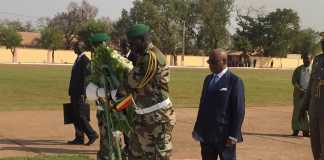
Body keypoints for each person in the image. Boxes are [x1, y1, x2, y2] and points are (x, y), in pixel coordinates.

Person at [126, 24, 176, 160]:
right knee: (136, 153)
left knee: (159, 156)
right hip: (145, 113)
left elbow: (132, 82)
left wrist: (124, 68)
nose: (130, 46)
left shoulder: (151, 57)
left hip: (158, 116)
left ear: (142, 40)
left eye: (132, 42)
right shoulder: (142, 56)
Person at [192, 49, 245, 160]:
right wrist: (198, 128)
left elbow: (238, 110)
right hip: (206, 135)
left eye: (213, 62)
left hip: (225, 137)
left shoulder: (234, 81)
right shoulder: (208, 79)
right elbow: (203, 106)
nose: (210, 65)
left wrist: (234, 135)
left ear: (224, 61)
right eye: (209, 61)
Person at [68, 41, 98, 145]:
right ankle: (79, 137)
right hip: (74, 92)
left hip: (80, 93)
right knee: (75, 115)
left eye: (76, 47)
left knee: (81, 115)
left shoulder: (85, 60)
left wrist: (84, 92)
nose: (74, 49)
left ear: (81, 48)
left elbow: (87, 79)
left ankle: (92, 134)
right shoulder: (78, 59)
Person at [301, 32, 324, 160]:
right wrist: (304, 106)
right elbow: (311, 84)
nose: (322, 43)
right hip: (314, 109)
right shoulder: (318, 59)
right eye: (322, 40)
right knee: (315, 145)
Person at [291, 54, 312, 137]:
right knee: (297, 112)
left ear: (311, 59)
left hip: (309, 95)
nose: (306, 61)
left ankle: (306, 131)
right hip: (299, 95)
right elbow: (294, 81)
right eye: (304, 60)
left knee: (307, 113)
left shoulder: (313, 70)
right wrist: (300, 89)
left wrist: (309, 92)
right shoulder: (298, 70)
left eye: (308, 60)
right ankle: (295, 130)